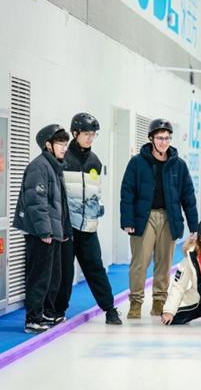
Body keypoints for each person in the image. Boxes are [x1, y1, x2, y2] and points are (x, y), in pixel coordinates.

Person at [120, 118, 198, 319]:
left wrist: (194, 226)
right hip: (144, 217)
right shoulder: (137, 163)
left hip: (169, 217)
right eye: (160, 138)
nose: (164, 142)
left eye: (167, 138)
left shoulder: (178, 165)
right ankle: (136, 302)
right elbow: (127, 192)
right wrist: (127, 221)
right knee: (140, 262)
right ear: (151, 139)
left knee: (164, 262)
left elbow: (188, 197)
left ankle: (159, 302)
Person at [54, 113, 121, 325]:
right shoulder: (63, 160)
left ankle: (110, 309)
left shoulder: (95, 162)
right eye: (86, 134)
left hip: (88, 227)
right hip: (67, 228)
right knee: (65, 272)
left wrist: (96, 209)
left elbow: (95, 192)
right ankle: (58, 311)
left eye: (93, 135)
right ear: (75, 134)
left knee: (96, 269)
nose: (90, 138)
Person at [13, 125, 71, 333]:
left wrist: (63, 230)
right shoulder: (39, 167)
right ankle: (33, 318)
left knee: (53, 276)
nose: (64, 147)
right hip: (41, 233)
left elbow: (60, 203)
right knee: (39, 276)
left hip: (53, 231)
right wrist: (44, 231)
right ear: (48, 145)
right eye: (60, 143)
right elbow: (36, 202)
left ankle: (47, 312)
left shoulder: (54, 166)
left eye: (66, 143)